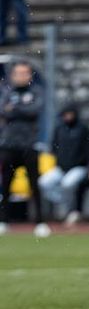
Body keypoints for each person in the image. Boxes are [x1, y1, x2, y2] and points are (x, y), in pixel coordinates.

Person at [0, 61, 47, 237]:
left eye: (25, 73)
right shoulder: (7, 91)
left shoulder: (36, 91)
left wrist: (15, 109)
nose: (21, 76)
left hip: (29, 145)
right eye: (18, 73)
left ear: (29, 75)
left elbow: (34, 110)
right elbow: (3, 111)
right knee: (5, 184)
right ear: (13, 75)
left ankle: (40, 222)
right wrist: (20, 110)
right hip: (9, 145)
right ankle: (3, 221)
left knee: (35, 184)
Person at [37, 105, 89, 220]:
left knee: (67, 184)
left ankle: (71, 210)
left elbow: (88, 149)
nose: (67, 117)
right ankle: (62, 202)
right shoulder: (59, 129)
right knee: (43, 182)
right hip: (61, 167)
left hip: (78, 167)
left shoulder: (83, 129)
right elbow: (54, 146)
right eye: (65, 115)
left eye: (70, 114)